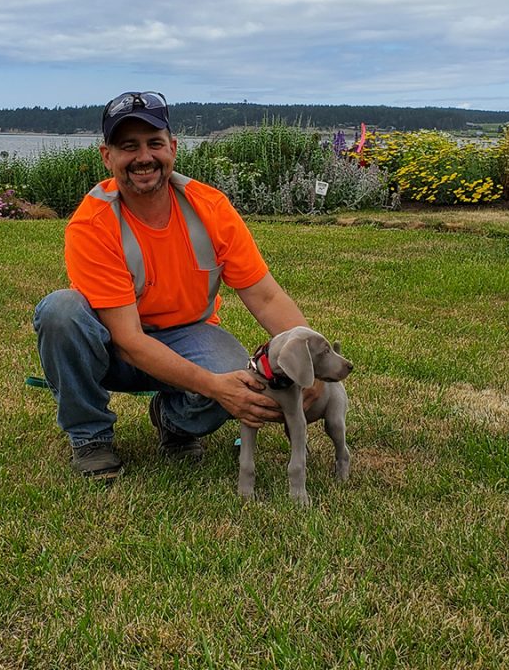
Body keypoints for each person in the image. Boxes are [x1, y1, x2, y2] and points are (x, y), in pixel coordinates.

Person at [33, 91, 322, 479]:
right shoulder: (93, 224)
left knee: (242, 377)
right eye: (128, 147)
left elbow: (267, 297)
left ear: (173, 147)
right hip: (112, 347)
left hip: (188, 334)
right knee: (60, 311)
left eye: (154, 143)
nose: (143, 158)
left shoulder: (211, 208)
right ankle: (90, 437)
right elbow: (130, 342)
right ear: (107, 156)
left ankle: (174, 423)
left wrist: (310, 364)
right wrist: (216, 388)